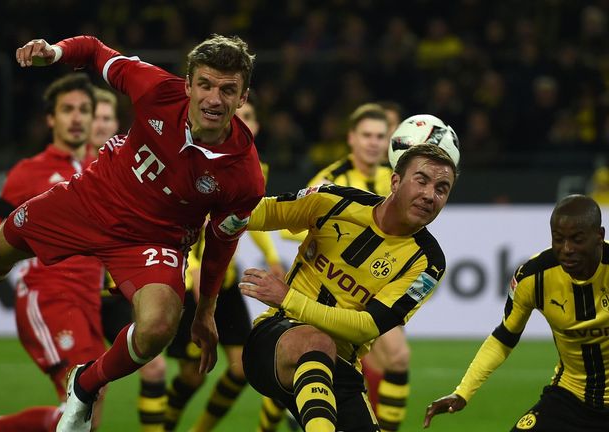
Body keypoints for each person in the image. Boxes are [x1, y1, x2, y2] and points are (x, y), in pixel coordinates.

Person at [0, 33, 264, 432]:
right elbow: (94, 51)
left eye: (228, 90)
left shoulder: (245, 177)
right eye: (206, 85)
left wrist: (205, 312)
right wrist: (56, 52)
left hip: (154, 241)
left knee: (158, 327)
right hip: (92, 200)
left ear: (243, 97)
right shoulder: (155, 89)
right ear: (188, 85)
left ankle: (86, 382)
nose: (214, 99)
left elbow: (221, 242)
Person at [240, 141, 458, 432]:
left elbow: (368, 327)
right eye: (421, 181)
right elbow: (261, 213)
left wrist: (289, 297)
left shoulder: (428, 263)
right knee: (317, 341)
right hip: (274, 340)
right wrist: (201, 211)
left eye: (441, 189)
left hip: (340, 367)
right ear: (395, 181)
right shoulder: (335, 200)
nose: (430, 195)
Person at [0, 72, 103, 432]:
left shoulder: (103, 167)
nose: (77, 117)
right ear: (51, 119)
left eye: (84, 109)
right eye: (67, 110)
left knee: (89, 409)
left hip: (87, 301)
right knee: (80, 409)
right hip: (47, 296)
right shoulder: (29, 172)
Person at [279, 103, 413, 431]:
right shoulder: (330, 179)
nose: (373, 142)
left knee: (394, 360)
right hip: (330, 290)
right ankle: (290, 412)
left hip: (371, 290)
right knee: (314, 363)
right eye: (366, 135)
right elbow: (288, 223)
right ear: (351, 138)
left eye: (380, 136)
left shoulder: (392, 180)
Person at [424, 194, 609, 432]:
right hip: (569, 399)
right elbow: (504, 338)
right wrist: (463, 392)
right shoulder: (533, 277)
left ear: (599, 236)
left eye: (577, 239)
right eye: (558, 239)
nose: (567, 249)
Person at [163, 100, 285, 432]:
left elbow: (250, 218)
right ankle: (163, 428)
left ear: (256, 127)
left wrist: (272, 257)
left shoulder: (258, 168)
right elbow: (195, 218)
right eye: (237, 117)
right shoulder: (202, 159)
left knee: (240, 368)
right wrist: (195, 266)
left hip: (224, 280)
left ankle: (199, 430)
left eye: (247, 117)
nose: (240, 123)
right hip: (195, 277)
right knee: (192, 374)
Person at [89, 85, 169, 432]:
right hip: (77, 294)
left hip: (114, 290)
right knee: (92, 389)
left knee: (154, 368)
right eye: (96, 117)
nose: (102, 124)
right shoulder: (64, 171)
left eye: (108, 117)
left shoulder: (131, 164)